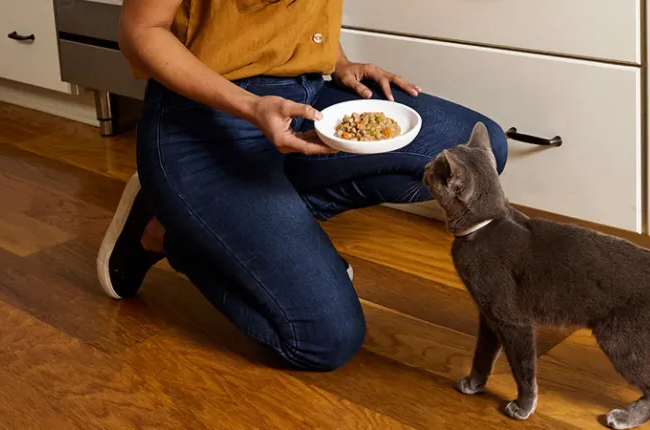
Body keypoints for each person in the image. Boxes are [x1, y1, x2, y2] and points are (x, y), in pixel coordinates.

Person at [98, 0, 508, 372]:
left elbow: (297, 15)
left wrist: (339, 61)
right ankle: (166, 232)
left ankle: (241, 224)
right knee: (324, 340)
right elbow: (141, 32)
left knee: (475, 154)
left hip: (306, 98)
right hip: (201, 118)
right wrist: (250, 105)